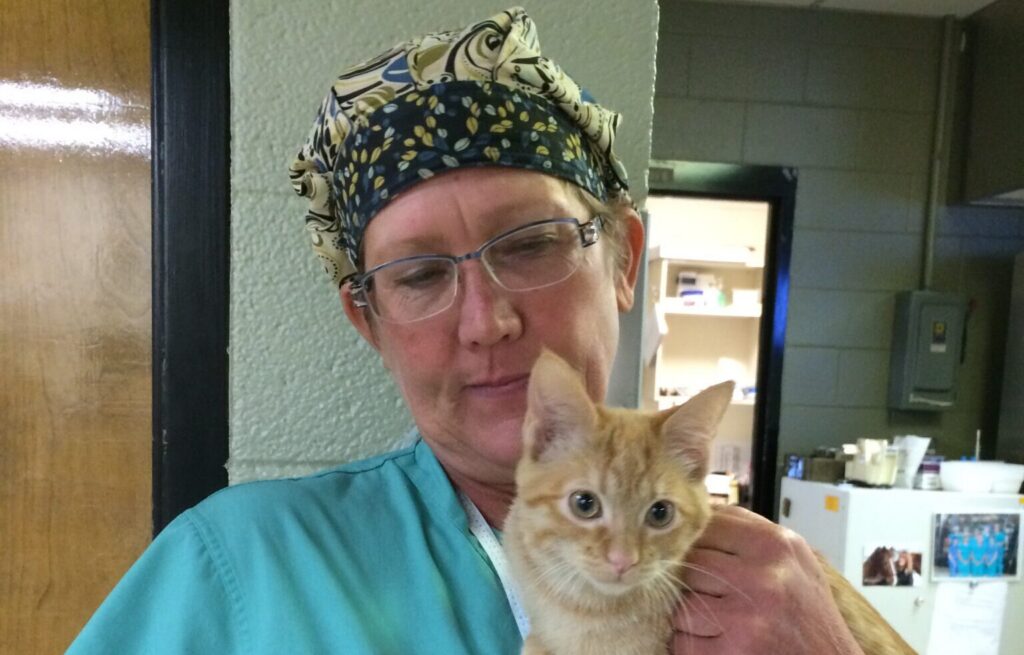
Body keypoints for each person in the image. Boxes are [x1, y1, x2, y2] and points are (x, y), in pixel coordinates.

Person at [68, 8, 868, 654]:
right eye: (419, 276)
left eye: (530, 246)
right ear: (368, 321)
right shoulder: (239, 567)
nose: (489, 320)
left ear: (624, 260)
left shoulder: (766, 587)